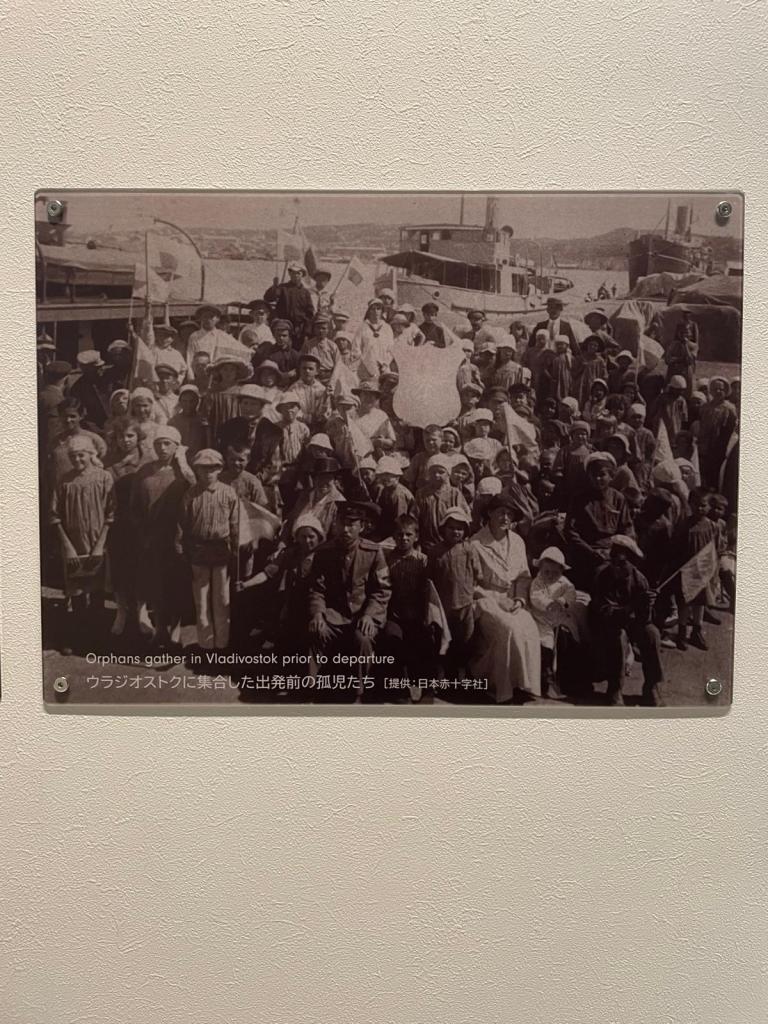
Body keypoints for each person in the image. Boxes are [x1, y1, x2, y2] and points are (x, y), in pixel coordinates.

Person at [308, 500, 391, 696]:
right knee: (316, 631)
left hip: (362, 614)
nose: (345, 529)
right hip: (334, 614)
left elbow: (382, 589)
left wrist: (369, 615)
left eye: (351, 524)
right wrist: (318, 613)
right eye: (341, 523)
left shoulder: (373, 552)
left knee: (363, 639)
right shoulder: (324, 552)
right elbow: (317, 589)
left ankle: (359, 691)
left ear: (361, 527)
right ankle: (313, 687)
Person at [469, 494, 541, 703]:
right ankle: (501, 687)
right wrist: (495, 599)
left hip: (512, 599)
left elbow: (524, 577)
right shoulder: (475, 543)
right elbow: (471, 584)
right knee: (508, 628)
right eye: (501, 512)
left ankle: (523, 684)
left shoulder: (517, 541)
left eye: (509, 514)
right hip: (485, 599)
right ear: (489, 513)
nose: (505, 518)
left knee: (529, 626)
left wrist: (519, 600)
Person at [130, 426, 196, 646]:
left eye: (167, 443)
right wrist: (142, 532)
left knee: (175, 584)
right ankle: (160, 629)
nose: (162, 448)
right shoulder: (144, 472)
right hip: (151, 537)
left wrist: (183, 461)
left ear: (177, 446)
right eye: (158, 443)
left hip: (177, 536)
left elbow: (196, 490)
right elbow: (134, 506)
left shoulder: (183, 471)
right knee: (155, 585)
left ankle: (175, 628)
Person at [49, 435, 116, 647]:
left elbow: (111, 514)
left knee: (97, 594)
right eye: (73, 456)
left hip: (97, 543)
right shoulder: (64, 481)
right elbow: (54, 517)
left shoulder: (104, 478)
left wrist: (99, 546)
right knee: (76, 594)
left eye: (81, 455)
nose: (77, 460)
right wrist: (67, 547)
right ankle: (78, 638)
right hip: (73, 545)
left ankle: (97, 640)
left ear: (90, 454)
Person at [176, 449, 239, 652]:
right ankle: (205, 644)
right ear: (197, 470)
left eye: (213, 468)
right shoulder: (190, 494)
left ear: (220, 469)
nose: (208, 472)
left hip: (221, 548)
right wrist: (182, 547)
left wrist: (235, 549)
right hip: (199, 549)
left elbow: (235, 524)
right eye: (203, 468)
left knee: (221, 598)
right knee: (201, 599)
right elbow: (183, 524)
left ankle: (222, 643)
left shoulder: (229, 493)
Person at [591, 535, 664, 706]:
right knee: (619, 635)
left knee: (652, 634)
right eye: (613, 560)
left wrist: (647, 605)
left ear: (632, 563)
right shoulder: (602, 576)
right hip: (605, 625)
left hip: (630, 622)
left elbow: (645, 620)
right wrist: (632, 606)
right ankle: (615, 687)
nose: (616, 565)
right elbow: (606, 613)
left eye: (622, 562)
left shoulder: (640, 580)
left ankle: (651, 686)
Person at [104, 417, 153, 635]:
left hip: (141, 521)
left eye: (130, 435)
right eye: (121, 436)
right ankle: (121, 611)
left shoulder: (147, 460)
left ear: (138, 437)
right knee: (119, 566)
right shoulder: (107, 461)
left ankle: (142, 611)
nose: (125, 440)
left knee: (141, 566)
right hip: (117, 521)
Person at [380, 515, 434, 697]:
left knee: (421, 642)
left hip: (416, 615)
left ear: (416, 537)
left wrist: (425, 616)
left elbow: (428, 592)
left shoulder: (422, 560)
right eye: (399, 534)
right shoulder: (387, 559)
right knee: (392, 639)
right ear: (393, 536)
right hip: (394, 615)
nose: (404, 538)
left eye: (408, 534)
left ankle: (419, 682)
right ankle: (398, 686)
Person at [565, 451, 635, 590]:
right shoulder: (579, 499)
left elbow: (627, 530)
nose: (598, 479)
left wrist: (616, 553)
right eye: (594, 475)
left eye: (602, 474)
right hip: (587, 554)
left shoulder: (618, 499)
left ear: (611, 476)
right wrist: (591, 552)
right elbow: (570, 531)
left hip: (613, 554)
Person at [428, 506, 481, 679]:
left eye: (460, 528)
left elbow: (476, 573)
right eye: (451, 527)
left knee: (465, 640)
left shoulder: (468, 549)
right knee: (444, 640)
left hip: (465, 604)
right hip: (444, 607)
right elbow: (430, 578)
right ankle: (446, 675)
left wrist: (470, 591)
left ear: (465, 531)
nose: (455, 532)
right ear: (443, 529)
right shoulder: (435, 551)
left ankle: (462, 674)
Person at [529, 546, 579, 700]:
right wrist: (548, 604)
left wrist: (563, 600)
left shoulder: (564, 583)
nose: (550, 576)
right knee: (546, 645)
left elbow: (572, 593)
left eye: (555, 573)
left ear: (561, 571)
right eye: (546, 572)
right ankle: (546, 679)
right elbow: (535, 597)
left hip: (559, 618)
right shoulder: (537, 582)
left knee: (568, 638)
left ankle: (567, 679)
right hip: (542, 619)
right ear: (540, 569)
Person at [672, 488, 718, 652]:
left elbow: (714, 549)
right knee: (685, 602)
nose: (700, 508)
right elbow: (676, 548)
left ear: (709, 506)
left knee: (701, 602)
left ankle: (696, 631)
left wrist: (713, 571)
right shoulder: (684, 525)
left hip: (703, 571)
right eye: (696, 505)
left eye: (703, 505)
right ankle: (682, 632)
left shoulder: (712, 526)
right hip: (687, 571)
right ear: (690, 504)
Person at [414, 454, 470, 550]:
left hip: (450, 544)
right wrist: (417, 543)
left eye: (441, 472)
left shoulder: (455, 494)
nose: (437, 475)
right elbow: (415, 519)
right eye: (433, 472)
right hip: (427, 543)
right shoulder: (421, 494)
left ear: (448, 473)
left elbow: (464, 519)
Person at [47, 397, 108, 488]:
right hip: (61, 489)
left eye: (72, 416)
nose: (68, 420)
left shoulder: (94, 439)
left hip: (87, 489)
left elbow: (104, 466)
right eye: (64, 416)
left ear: (81, 416)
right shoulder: (54, 442)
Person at [697, 376, 738, 490]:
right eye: (715, 389)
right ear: (711, 391)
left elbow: (732, 428)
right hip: (704, 445)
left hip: (720, 446)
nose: (719, 391)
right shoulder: (705, 407)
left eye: (721, 389)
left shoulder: (730, 408)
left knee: (716, 472)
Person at [265, 262, 315, 345]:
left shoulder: (305, 292)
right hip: (283, 327)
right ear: (289, 274)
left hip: (299, 329)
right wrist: (274, 286)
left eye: (298, 273)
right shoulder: (282, 288)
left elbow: (309, 313)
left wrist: (306, 332)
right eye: (293, 273)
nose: (295, 275)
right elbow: (268, 298)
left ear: (302, 275)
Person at [371, 455, 414, 540]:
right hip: (390, 526)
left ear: (397, 476)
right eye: (382, 475)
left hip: (403, 529)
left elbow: (400, 520)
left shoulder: (399, 494)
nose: (384, 478)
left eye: (388, 475)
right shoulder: (386, 489)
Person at [69, 349, 111, 429]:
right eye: (97, 368)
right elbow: (77, 412)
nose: (101, 369)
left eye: (101, 366)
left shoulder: (108, 379)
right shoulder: (79, 387)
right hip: (94, 427)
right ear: (86, 369)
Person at [356, 298, 394, 381]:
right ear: (369, 311)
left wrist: (385, 364)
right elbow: (356, 348)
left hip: (384, 366)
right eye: (373, 309)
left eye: (378, 309)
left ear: (382, 311)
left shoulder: (387, 328)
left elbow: (391, 349)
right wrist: (364, 363)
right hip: (366, 366)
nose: (375, 311)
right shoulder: (362, 328)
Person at [186, 306, 232, 371]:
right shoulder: (194, 336)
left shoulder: (223, 336)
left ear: (217, 319)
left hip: (217, 371)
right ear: (200, 318)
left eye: (211, 317)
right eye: (205, 317)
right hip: (200, 371)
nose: (208, 319)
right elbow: (189, 356)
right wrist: (190, 373)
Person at [292, 353, 330, 432]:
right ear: (299, 370)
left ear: (317, 371)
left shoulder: (322, 389)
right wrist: (304, 417)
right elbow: (290, 408)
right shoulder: (293, 389)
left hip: (319, 424)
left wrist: (321, 416)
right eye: (304, 368)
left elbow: (326, 409)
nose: (307, 371)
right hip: (299, 424)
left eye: (311, 368)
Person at [168, 384, 206, 457]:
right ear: (180, 401)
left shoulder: (203, 421)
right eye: (184, 401)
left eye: (192, 401)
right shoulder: (173, 422)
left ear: (197, 401)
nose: (188, 404)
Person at [300, 315, 339, 384]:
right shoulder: (308, 345)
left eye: (324, 328)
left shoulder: (332, 346)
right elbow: (302, 362)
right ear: (314, 329)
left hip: (329, 377)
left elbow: (338, 365)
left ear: (328, 330)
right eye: (318, 328)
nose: (320, 331)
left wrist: (332, 380)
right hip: (313, 378)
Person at [667, 311, 699, 393]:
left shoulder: (693, 346)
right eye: (681, 332)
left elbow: (689, 360)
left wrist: (685, 345)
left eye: (686, 333)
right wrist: (679, 359)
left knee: (686, 390)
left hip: (686, 372)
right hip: (673, 371)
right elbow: (667, 360)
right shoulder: (673, 345)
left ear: (689, 334)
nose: (683, 335)